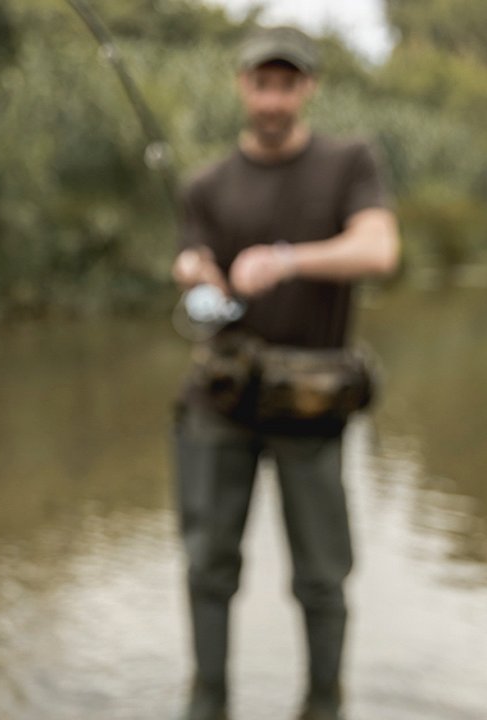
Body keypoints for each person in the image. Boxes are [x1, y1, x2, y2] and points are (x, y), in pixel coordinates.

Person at [170, 26, 400, 720]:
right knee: (208, 563)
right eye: (261, 82)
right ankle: (207, 704)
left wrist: (289, 259)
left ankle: (323, 705)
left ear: (308, 88)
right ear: (243, 85)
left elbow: (379, 249)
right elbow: (194, 272)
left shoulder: (349, 163)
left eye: (287, 83)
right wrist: (194, 275)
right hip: (220, 405)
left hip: (311, 406)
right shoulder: (204, 185)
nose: (273, 97)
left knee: (323, 577)